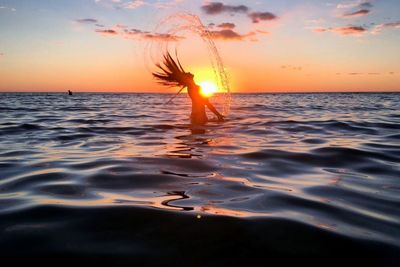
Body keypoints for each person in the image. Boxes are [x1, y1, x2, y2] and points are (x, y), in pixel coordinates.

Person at [152, 52, 224, 125]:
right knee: (200, 135)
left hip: (195, 116)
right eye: (187, 74)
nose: (189, 72)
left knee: (197, 135)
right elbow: (207, 103)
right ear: (187, 79)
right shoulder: (196, 88)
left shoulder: (191, 88)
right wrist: (218, 115)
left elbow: (204, 102)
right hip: (199, 116)